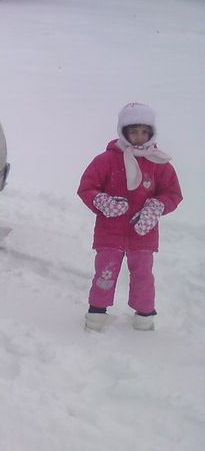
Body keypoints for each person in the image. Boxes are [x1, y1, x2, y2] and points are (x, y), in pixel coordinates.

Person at [77, 102, 182, 332]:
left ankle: (144, 315)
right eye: (133, 131)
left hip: (143, 232)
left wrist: (157, 206)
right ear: (123, 131)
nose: (139, 136)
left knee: (143, 275)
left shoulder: (159, 163)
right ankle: (97, 312)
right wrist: (102, 202)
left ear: (151, 133)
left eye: (144, 131)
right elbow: (87, 187)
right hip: (110, 232)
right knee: (105, 272)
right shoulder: (106, 160)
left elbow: (173, 193)